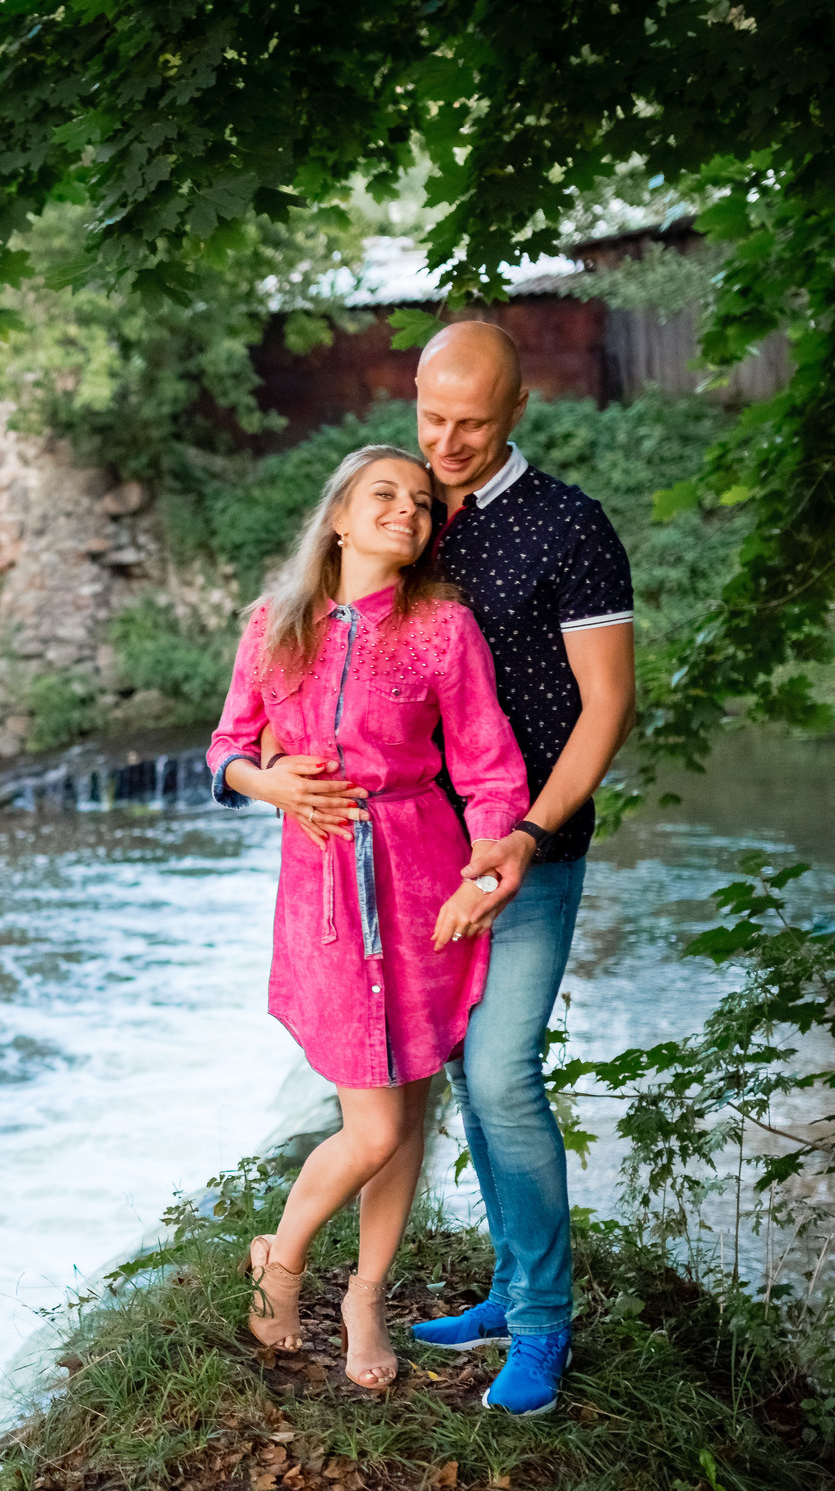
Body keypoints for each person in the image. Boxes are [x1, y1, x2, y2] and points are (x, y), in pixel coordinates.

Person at [251, 322, 637, 1417]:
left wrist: (527, 833)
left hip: (525, 847)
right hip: (409, 862)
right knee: (456, 1079)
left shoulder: (567, 526)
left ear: (517, 411)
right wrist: (274, 774)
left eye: (472, 423)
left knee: (502, 1076)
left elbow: (608, 702)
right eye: (432, 418)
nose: (448, 442)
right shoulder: (402, 508)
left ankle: (543, 1321)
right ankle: (509, 1289)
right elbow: (310, 667)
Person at [205, 445, 528, 1391]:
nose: (407, 511)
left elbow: (490, 769)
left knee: (408, 1102)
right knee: (375, 1124)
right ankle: (282, 1260)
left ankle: (366, 1294)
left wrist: (487, 867)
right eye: (384, 495)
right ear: (339, 518)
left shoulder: (443, 629)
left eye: (422, 503)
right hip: (326, 895)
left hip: (425, 881)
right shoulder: (274, 626)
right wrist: (270, 783)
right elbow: (225, 748)